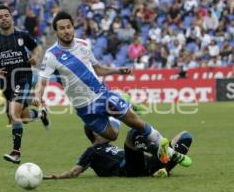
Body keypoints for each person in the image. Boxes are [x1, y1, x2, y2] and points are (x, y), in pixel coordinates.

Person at [33, 11, 188, 164]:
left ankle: (168, 151)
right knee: (112, 136)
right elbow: (42, 82)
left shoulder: (83, 45)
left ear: (73, 27)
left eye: (69, 27)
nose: (66, 31)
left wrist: (118, 70)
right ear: (56, 31)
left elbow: (98, 69)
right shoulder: (51, 55)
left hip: (102, 95)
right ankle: (123, 100)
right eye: (62, 28)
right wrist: (37, 97)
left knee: (135, 122)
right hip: (84, 108)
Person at [0, 4, 49, 164]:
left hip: (23, 77)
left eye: (6, 15)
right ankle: (41, 114)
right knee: (24, 118)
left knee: (13, 115)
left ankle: (16, 153)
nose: (4, 18)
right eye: (0, 17)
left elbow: (36, 48)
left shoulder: (22, 35)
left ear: (11, 17)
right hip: (7, 84)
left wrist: (35, 58)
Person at [44, 117, 192, 179]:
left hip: (148, 164)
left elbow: (117, 122)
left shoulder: (108, 145)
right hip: (129, 169)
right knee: (133, 133)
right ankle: (164, 153)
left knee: (185, 136)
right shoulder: (92, 151)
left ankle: (162, 169)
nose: (107, 129)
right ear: (96, 133)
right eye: (103, 128)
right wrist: (56, 176)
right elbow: (74, 171)